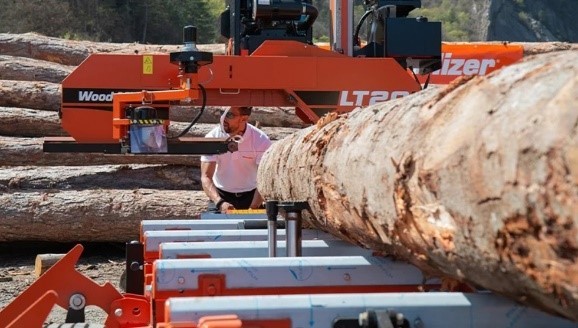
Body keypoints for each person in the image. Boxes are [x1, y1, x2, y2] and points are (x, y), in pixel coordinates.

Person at [200, 106, 272, 213]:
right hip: (221, 195)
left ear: (244, 118)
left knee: (258, 228)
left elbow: (265, 179)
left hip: (252, 196)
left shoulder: (260, 140)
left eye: (229, 115)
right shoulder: (212, 137)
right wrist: (219, 202)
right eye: (221, 113)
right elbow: (206, 177)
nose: (223, 119)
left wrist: (254, 207)